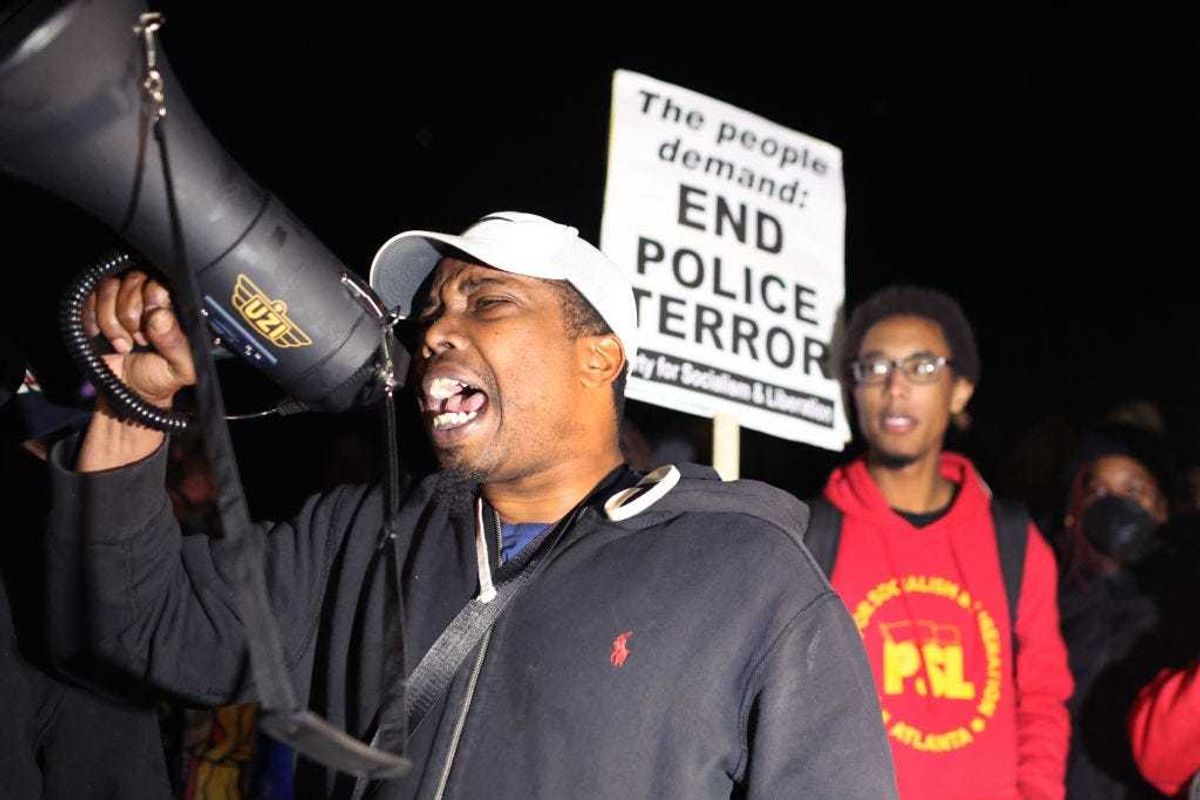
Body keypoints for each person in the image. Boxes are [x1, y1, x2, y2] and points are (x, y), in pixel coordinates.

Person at [47, 212, 897, 799]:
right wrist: (134, 402)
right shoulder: (360, 537)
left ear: (600, 357)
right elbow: (131, 624)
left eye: (488, 301)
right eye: (429, 314)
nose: (435, 334)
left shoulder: (749, 579)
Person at [804, 285, 1073, 799]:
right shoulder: (808, 536)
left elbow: (1040, 698)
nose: (894, 387)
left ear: (959, 391)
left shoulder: (1014, 541)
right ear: (853, 390)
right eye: (874, 367)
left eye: (921, 367)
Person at [1056, 426, 1174, 798]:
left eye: (1133, 490)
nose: (1116, 503)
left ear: (1161, 508)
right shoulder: (1043, 596)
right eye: (1099, 492)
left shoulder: (1177, 606)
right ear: (1073, 511)